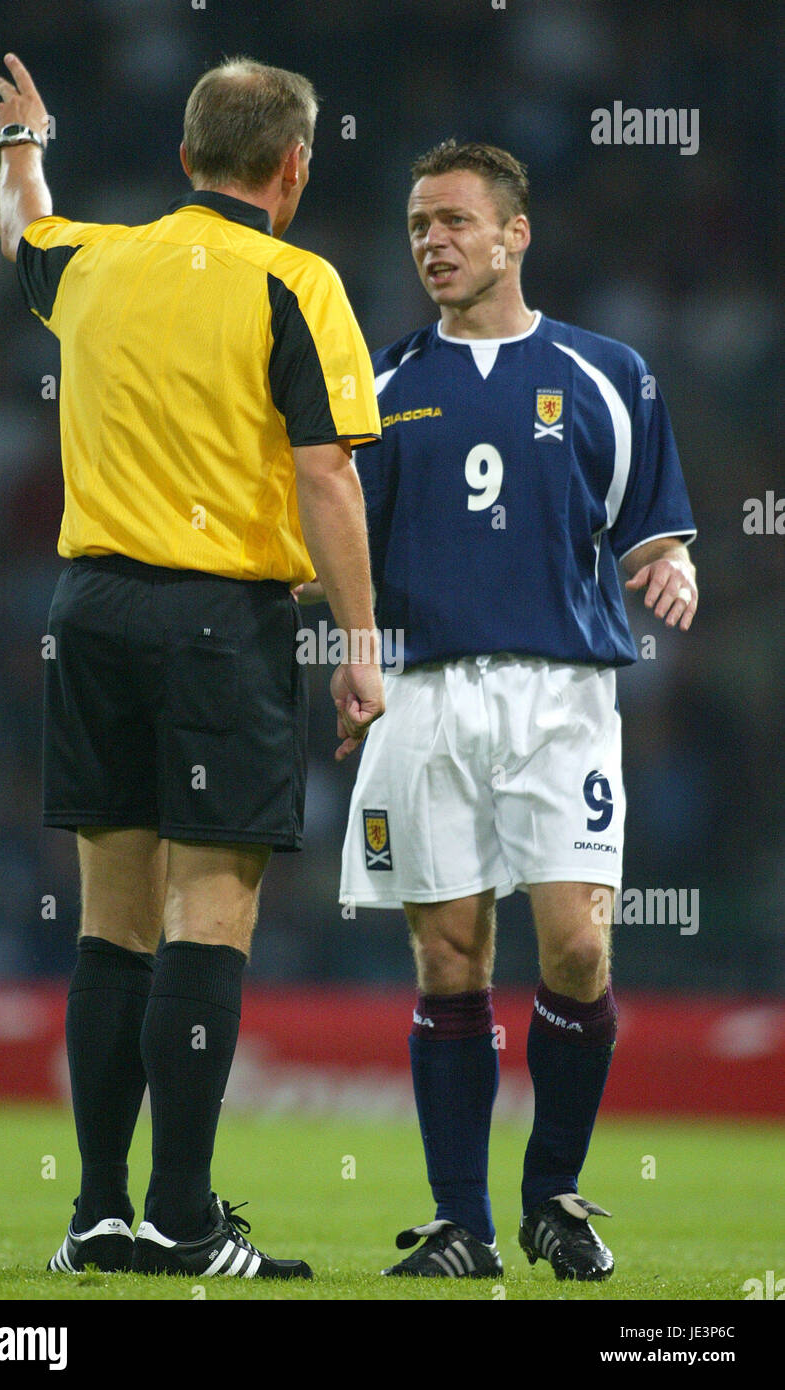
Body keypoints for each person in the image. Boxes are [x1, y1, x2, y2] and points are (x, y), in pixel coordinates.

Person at [0, 52, 384, 1281]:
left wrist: (21, 142)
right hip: (221, 624)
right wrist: (361, 643)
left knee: (111, 926)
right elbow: (326, 472)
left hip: (90, 607)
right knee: (208, 915)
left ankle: (97, 1216)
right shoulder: (294, 281)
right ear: (292, 167)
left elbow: (22, 230)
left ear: (182, 159)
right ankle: (183, 1221)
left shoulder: (95, 260)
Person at [336, 139, 698, 1281]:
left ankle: (552, 1195)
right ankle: (462, 1225)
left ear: (513, 234)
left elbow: (651, 527)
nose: (430, 243)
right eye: (415, 227)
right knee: (448, 958)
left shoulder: (608, 373)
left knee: (578, 947)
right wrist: (343, 652)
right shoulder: (382, 385)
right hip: (426, 694)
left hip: (561, 696)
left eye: (450, 221)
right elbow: (339, 543)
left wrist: (671, 567)